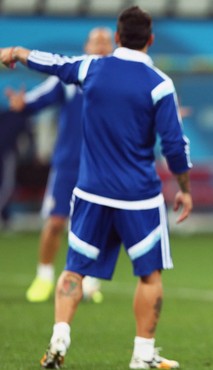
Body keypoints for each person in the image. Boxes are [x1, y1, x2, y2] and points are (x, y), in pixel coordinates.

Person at [0, 5, 192, 369]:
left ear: (117, 39)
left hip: (90, 192)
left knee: (74, 270)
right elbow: (173, 145)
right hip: (139, 198)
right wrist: (184, 187)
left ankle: (59, 338)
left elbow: (52, 63)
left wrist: (18, 53)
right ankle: (143, 354)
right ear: (150, 40)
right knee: (149, 275)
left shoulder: (91, 68)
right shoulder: (160, 84)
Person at [6, 27, 114, 303]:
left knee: (98, 224)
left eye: (106, 43)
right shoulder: (70, 77)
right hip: (68, 164)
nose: (101, 47)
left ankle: (89, 282)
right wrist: (23, 104)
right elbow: (38, 99)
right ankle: (43, 277)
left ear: (113, 47)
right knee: (55, 222)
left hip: (101, 166)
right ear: (86, 46)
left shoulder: (117, 80)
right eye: (96, 42)